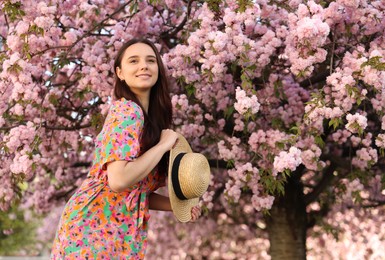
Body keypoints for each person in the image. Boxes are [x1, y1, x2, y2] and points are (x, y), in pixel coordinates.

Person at [51, 38, 201, 259]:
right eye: (134, 61)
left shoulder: (150, 122)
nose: (144, 66)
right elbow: (119, 180)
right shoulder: (127, 111)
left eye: (151, 60)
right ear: (120, 73)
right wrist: (162, 147)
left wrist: (175, 206)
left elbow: (135, 192)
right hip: (93, 229)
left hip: (120, 231)